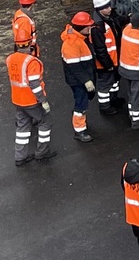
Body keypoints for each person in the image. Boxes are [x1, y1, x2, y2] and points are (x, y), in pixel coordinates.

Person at [7, 34, 54, 164]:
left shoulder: (10, 58)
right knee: (45, 122)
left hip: (18, 100)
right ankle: (42, 152)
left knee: (22, 128)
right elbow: (34, 84)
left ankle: (20, 156)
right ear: (30, 45)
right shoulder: (31, 62)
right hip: (31, 101)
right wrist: (43, 100)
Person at [59, 9, 100, 143]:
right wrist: (87, 81)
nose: (90, 27)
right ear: (81, 27)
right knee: (81, 105)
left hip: (82, 78)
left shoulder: (78, 38)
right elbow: (75, 68)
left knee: (82, 101)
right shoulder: (71, 44)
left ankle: (79, 121)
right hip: (78, 81)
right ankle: (79, 131)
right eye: (88, 26)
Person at [83, 0, 121, 111]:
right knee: (105, 85)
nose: (109, 8)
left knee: (114, 81)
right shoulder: (97, 27)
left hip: (113, 60)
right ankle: (105, 106)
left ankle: (113, 98)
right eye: (105, 7)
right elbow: (100, 50)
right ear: (99, 9)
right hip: (105, 64)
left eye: (109, 6)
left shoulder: (106, 19)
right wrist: (108, 65)